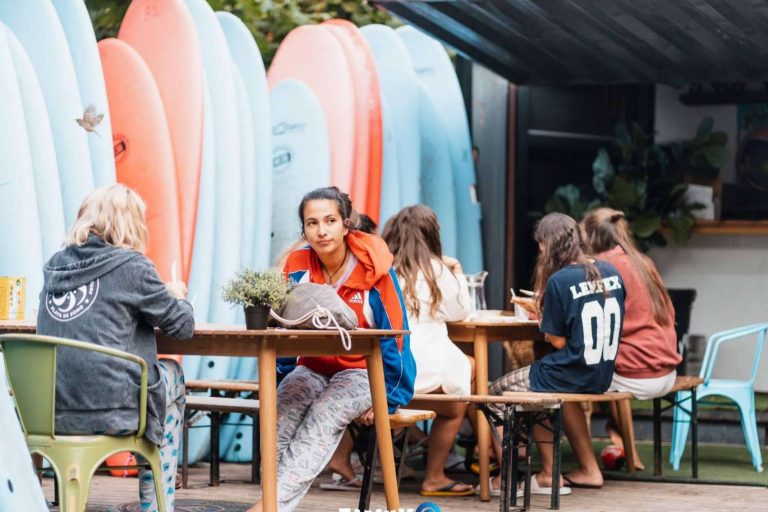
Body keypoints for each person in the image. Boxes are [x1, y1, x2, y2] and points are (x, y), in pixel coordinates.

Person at [247, 186, 415, 512]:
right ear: (304, 229)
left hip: (362, 373)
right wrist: (283, 377)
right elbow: (281, 325)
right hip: (311, 367)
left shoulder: (374, 267)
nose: (321, 231)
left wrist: (390, 399)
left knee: (324, 414)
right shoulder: (296, 265)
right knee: (279, 412)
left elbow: (396, 336)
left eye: (329, 220)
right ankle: (275, 504)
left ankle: (267, 508)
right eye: (312, 223)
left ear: (345, 223)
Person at [37, 184, 194, 512]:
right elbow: (181, 327)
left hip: (50, 410)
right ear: (130, 222)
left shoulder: (55, 266)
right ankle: (155, 506)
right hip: (111, 411)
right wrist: (177, 295)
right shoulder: (133, 266)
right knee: (173, 375)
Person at [489, 212, 626, 495]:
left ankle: (511, 480)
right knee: (534, 396)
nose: (539, 251)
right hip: (600, 373)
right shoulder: (612, 273)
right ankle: (563, 472)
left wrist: (545, 319)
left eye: (541, 245)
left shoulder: (560, 281)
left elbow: (558, 342)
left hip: (569, 369)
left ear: (548, 245)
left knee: (493, 394)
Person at [381, 205, 475, 496]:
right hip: (424, 380)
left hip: (383, 381)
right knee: (456, 405)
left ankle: (363, 463)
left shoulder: (381, 271)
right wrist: (456, 270)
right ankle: (435, 476)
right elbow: (462, 312)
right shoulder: (436, 270)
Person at [581, 207, 681, 472]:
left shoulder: (602, 267)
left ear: (589, 236)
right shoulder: (642, 261)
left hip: (638, 374)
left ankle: (586, 465)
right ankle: (621, 443)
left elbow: (590, 322)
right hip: (667, 371)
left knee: (568, 377)